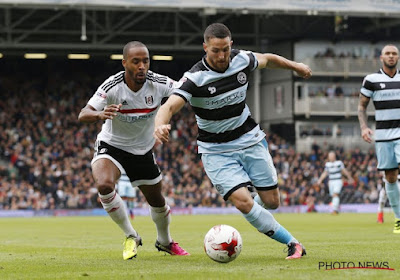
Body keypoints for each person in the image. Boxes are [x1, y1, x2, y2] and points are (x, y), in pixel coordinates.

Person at [154, 23, 312, 259]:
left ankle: (250, 205)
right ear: (205, 47)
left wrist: (296, 66)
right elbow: (169, 105)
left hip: (250, 139)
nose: (221, 56)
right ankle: (293, 243)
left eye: (225, 49)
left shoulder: (243, 60)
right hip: (216, 151)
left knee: (272, 202)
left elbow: (268, 59)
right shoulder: (195, 78)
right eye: (215, 50)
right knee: (243, 202)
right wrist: (160, 124)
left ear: (231, 45)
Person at [78, 41, 189, 260]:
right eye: (135, 61)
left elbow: (185, 93)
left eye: (145, 61)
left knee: (157, 201)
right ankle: (131, 235)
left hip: (142, 150)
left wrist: (164, 120)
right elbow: (83, 113)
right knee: (104, 184)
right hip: (112, 145)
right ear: (124, 63)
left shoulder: (158, 83)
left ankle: (165, 242)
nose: (141, 66)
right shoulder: (112, 86)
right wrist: (100, 115)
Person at [358, 44, 400, 234]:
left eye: (394, 53)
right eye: (388, 54)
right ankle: (399, 219)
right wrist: (364, 127)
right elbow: (361, 107)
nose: (391, 56)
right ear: (381, 58)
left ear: (398, 57)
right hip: (382, 137)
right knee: (390, 178)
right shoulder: (371, 80)